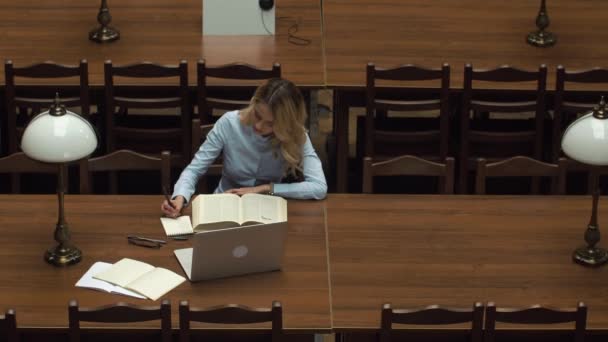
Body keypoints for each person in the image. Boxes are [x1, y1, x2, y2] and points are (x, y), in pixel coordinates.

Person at [161, 78, 327, 217]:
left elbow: (319, 187)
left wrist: (266, 188)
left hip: (267, 209)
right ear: (253, 104)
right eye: (257, 115)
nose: (259, 126)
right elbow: (194, 170)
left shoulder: (296, 135)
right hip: (222, 206)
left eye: (270, 124)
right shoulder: (229, 123)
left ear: (285, 125)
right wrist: (180, 197)